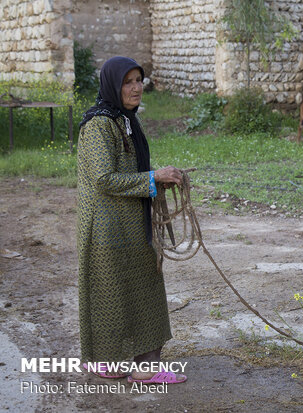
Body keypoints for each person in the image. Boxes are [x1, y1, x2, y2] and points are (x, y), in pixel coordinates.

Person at [77, 56, 186, 383]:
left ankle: (142, 364)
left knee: (142, 287)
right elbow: (103, 179)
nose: (136, 87)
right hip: (106, 227)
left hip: (130, 222)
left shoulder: (124, 120)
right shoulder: (99, 124)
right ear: (113, 85)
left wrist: (156, 180)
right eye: (128, 82)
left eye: (139, 80)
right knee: (109, 289)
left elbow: (126, 171)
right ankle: (108, 361)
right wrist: (152, 177)